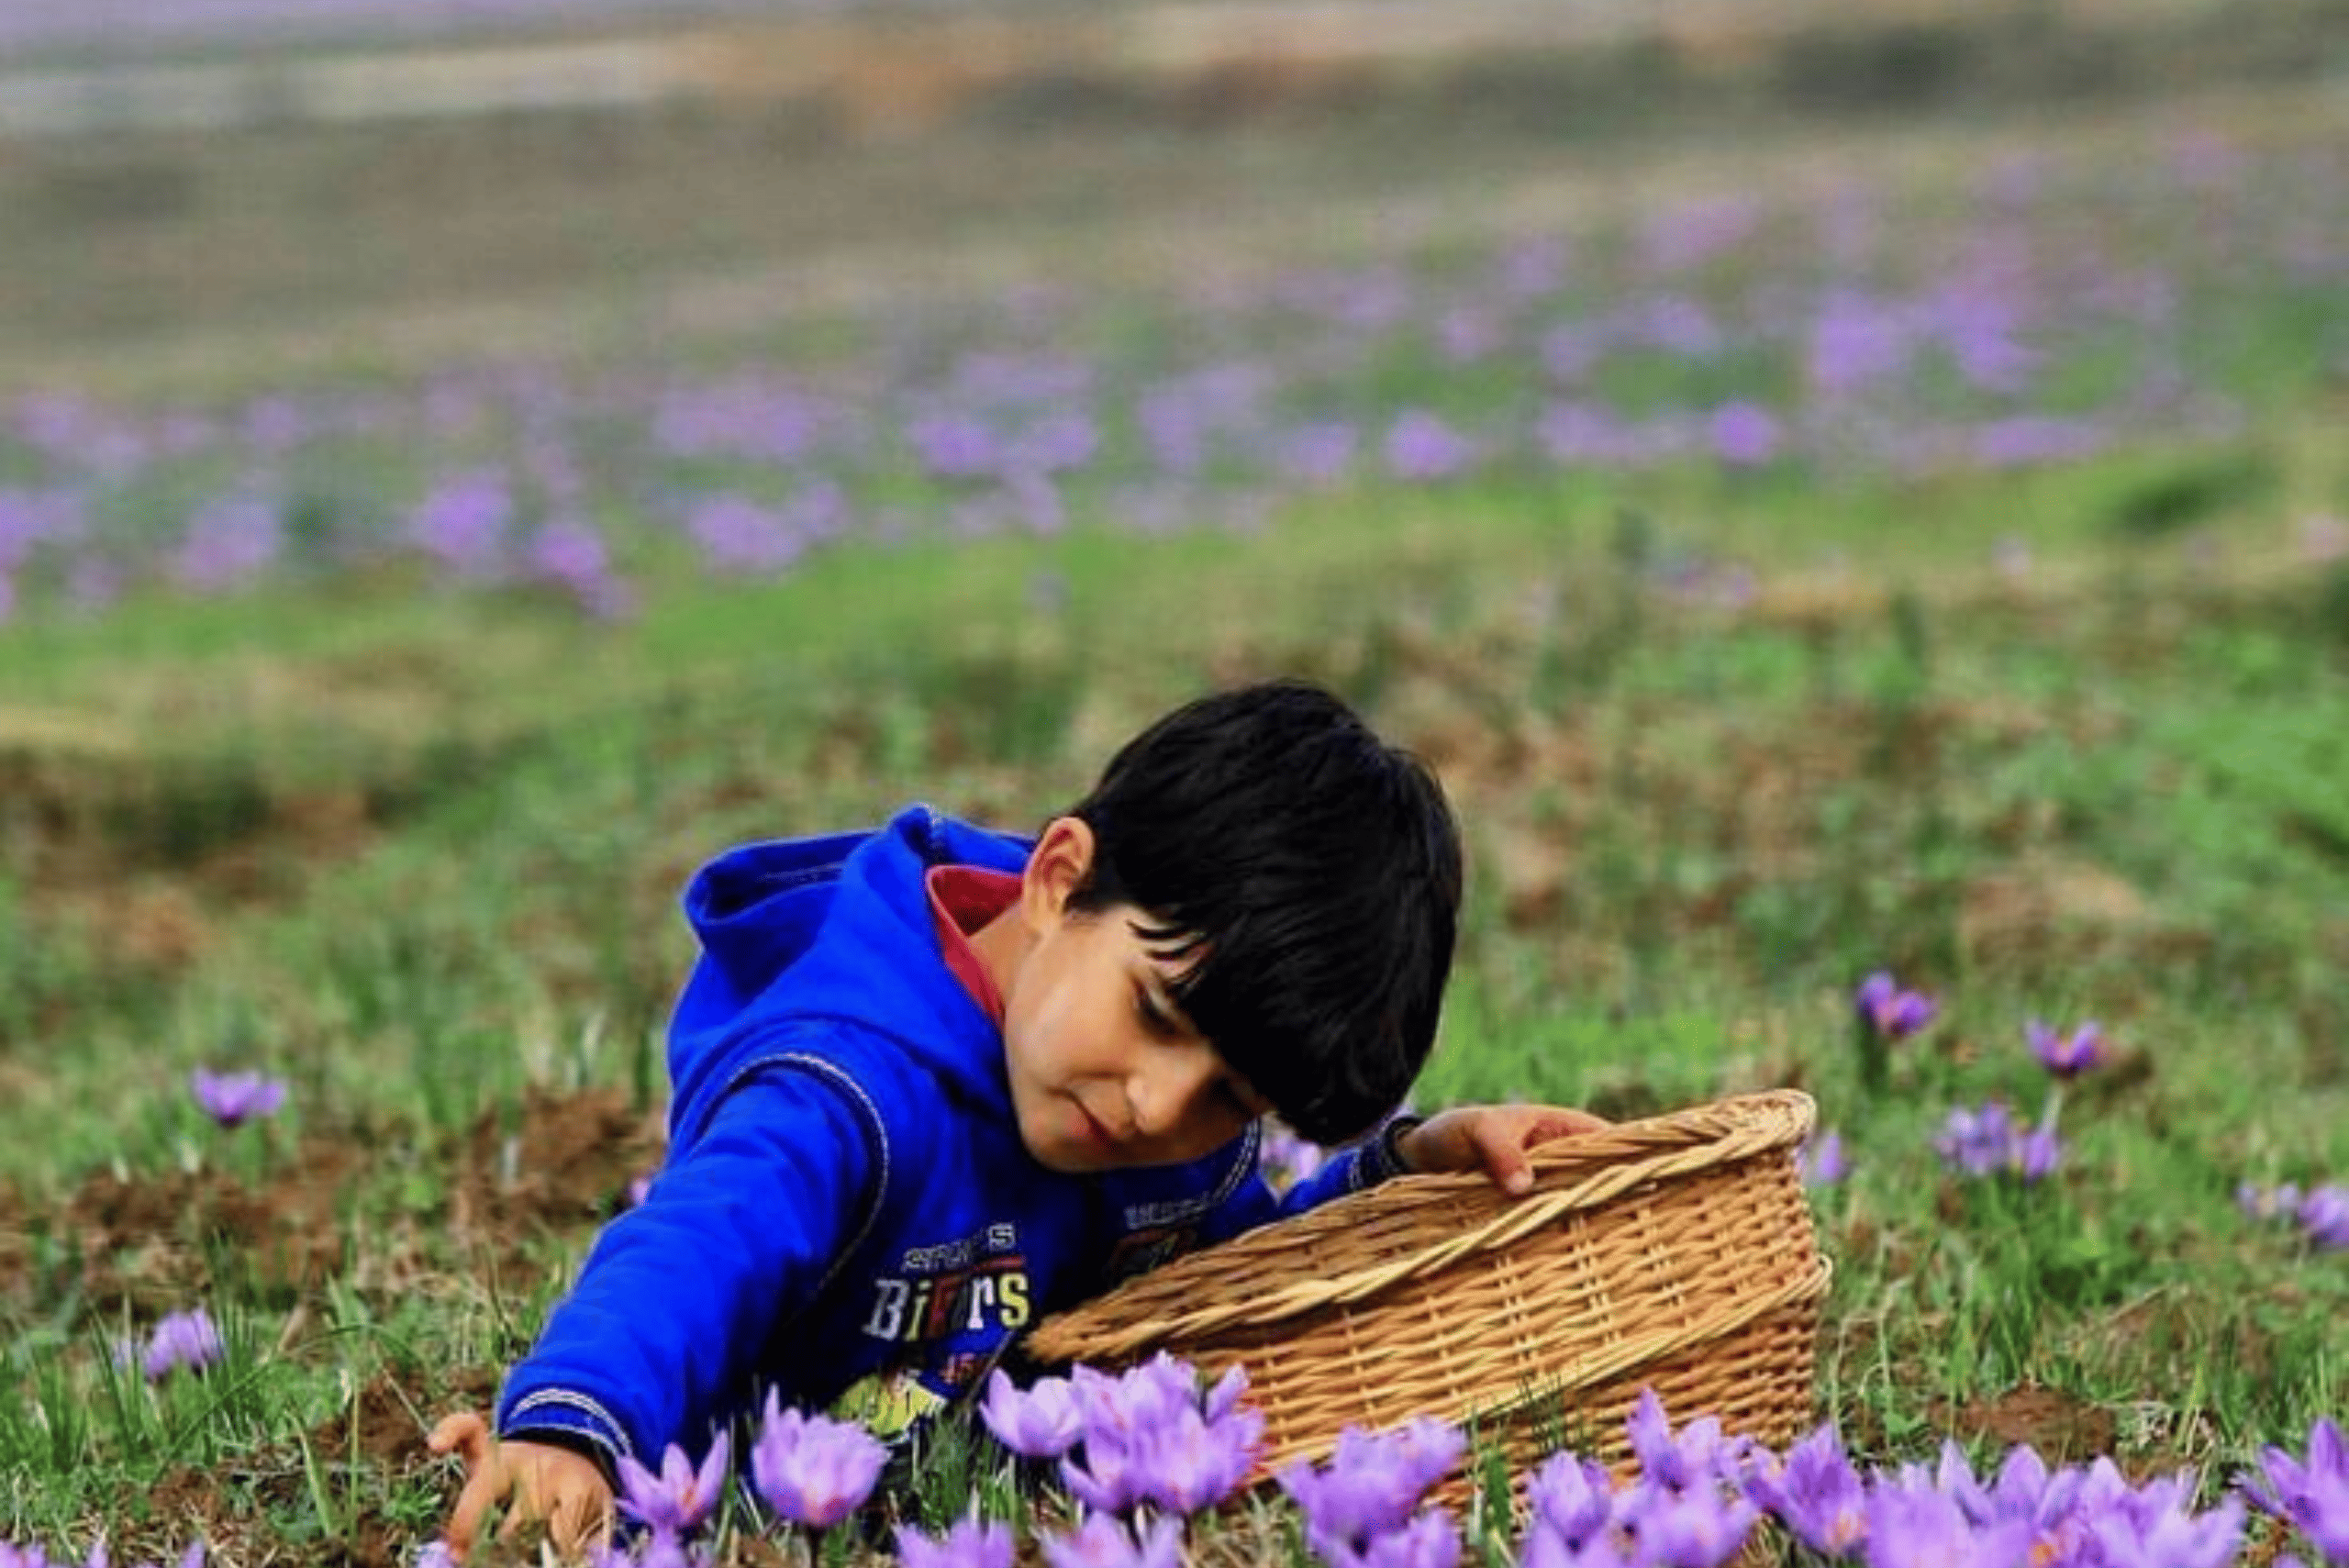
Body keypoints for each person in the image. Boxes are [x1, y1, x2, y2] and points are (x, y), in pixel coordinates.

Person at [429, 679, 1603, 1557]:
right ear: (1056, 881)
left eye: (1231, 1096)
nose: (1154, 1101)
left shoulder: (1172, 1132)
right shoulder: (846, 1089)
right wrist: (572, 1427)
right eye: (1152, 1011)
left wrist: (1398, 1176)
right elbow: (693, 1248)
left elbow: (1214, 1287)